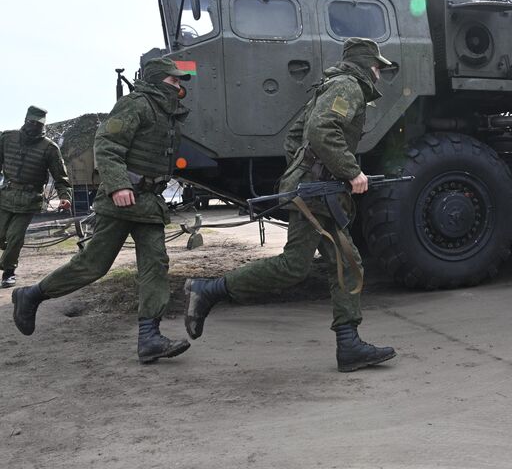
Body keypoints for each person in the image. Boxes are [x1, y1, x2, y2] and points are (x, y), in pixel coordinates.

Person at [184, 37, 397, 372]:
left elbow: (294, 137)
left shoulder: (331, 86)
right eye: (377, 68)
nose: (380, 75)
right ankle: (208, 290)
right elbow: (321, 130)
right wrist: (349, 171)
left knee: (347, 261)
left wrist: (309, 170)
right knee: (293, 267)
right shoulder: (349, 86)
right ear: (367, 65)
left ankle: (349, 344)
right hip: (314, 192)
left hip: (317, 190)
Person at [12, 58, 193, 364]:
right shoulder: (136, 104)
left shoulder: (167, 114)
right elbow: (107, 144)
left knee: (155, 264)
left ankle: (149, 337)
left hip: (148, 203)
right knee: (93, 265)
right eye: (175, 80)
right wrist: (119, 185)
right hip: (122, 200)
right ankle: (30, 295)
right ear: (159, 80)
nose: (180, 85)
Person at [0, 106, 72, 288]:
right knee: (2, 235)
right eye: (31, 122)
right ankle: (7, 255)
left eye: (38, 124)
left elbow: (61, 177)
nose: (34, 127)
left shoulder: (50, 148)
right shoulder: (7, 138)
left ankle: (8, 272)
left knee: (15, 237)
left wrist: (65, 196)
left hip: (29, 200)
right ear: (25, 120)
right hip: (5, 196)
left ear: (43, 126)